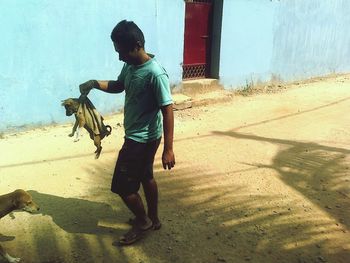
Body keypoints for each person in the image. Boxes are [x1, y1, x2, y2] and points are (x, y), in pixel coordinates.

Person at [79, 20, 175, 245]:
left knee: (122, 186)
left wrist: (169, 149)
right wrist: (94, 83)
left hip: (141, 140)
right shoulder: (130, 66)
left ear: (137, 45)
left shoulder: (155, 73)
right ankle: (154, 218)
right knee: (146, 176)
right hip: (139, 136)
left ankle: (143, 222)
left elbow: (168, 110)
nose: (119, 57)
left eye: (121, 51)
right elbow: (118, 86)